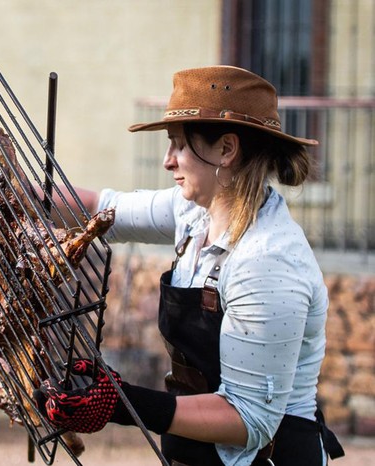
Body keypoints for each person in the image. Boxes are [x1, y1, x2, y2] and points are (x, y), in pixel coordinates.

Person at [34, 66, 345, 466]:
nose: (167, 161)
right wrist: (9, 192)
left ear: (226, 150)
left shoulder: (268, 261)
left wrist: (125, 403)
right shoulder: (194, 213)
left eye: (179, 145)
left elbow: (249, 420)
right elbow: (98, 208)